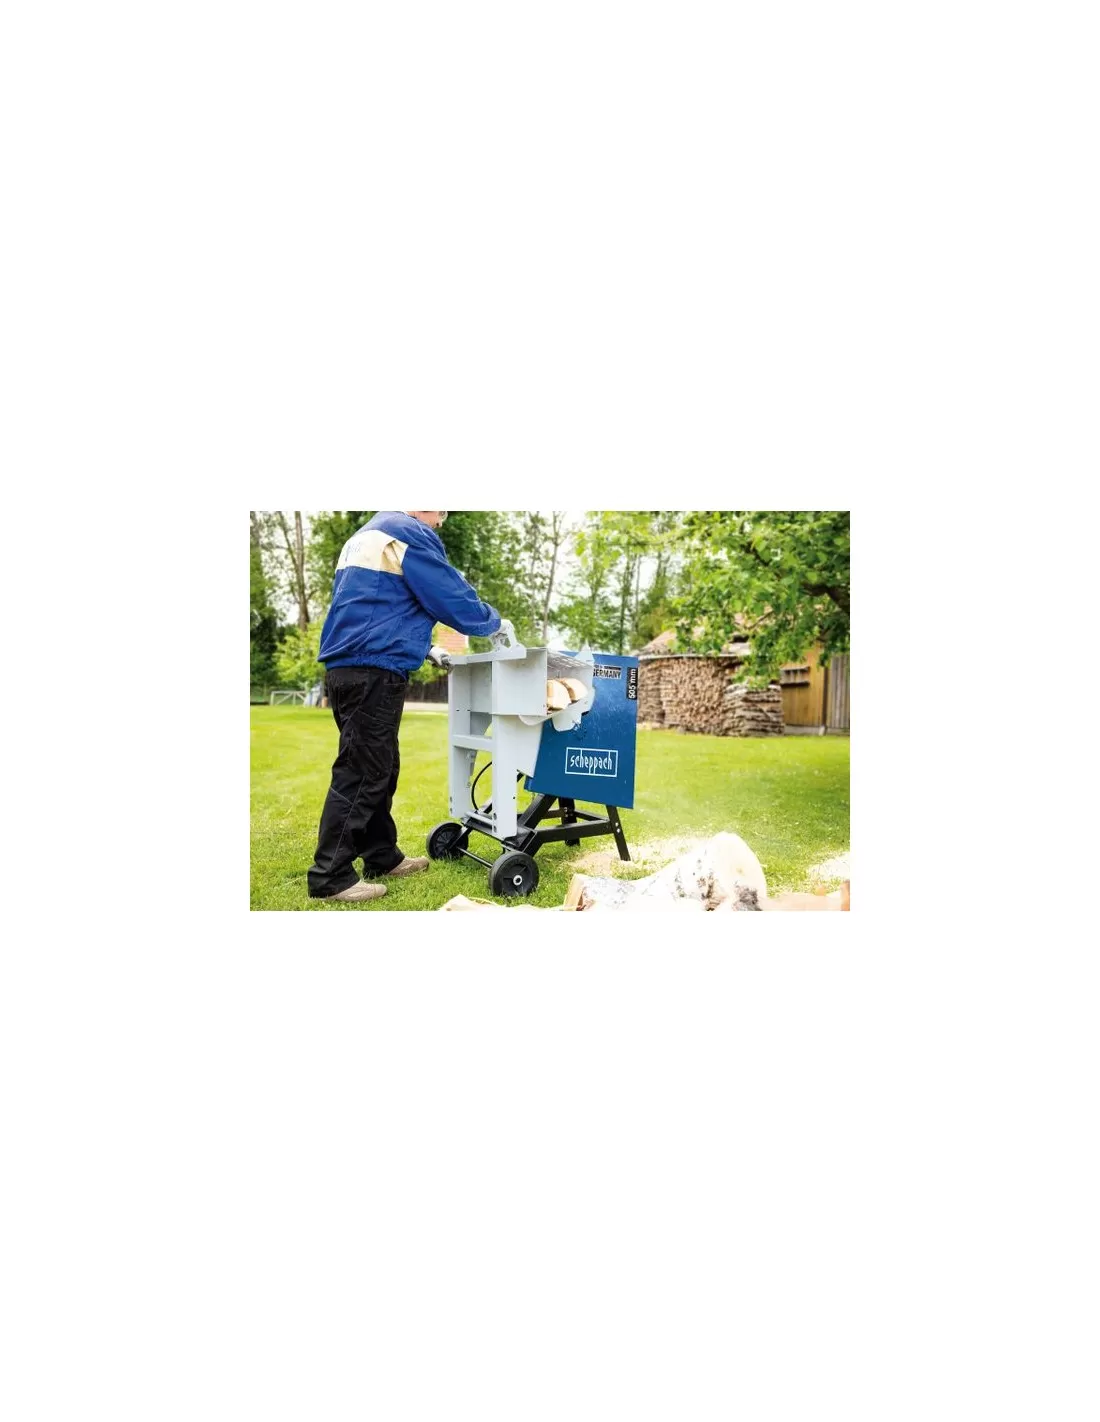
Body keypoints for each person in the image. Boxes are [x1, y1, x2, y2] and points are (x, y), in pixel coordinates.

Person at [307, 511, 514, 904]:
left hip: (352, 666)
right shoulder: (407, 532)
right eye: (442, 512)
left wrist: (426, 647)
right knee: (363, 770)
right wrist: (492, 622)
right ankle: (329, 875)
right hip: (372, 669)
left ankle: (381, 854)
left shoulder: (368, 534)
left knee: (381, 766)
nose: (441, 522)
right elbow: (448, 594)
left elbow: (376, 608)